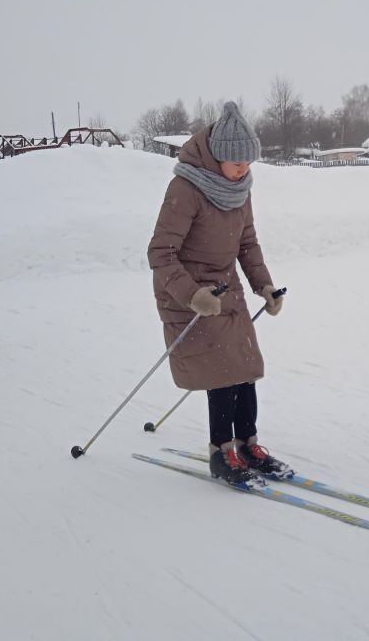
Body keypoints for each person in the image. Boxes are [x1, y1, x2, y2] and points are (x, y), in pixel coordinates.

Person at [147, 102, 289, 486]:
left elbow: (247, 243)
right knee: (223, 373)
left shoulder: (240, 189)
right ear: (216, 156)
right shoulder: (186, 187)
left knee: (246, 370)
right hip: (191, 295)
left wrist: (265, 286)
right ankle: (221, 452)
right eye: (235, 160)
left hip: (228, 292)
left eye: (248, 161)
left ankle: (247, 444)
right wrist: (193, 295)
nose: (243, 168)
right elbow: (159, 253)